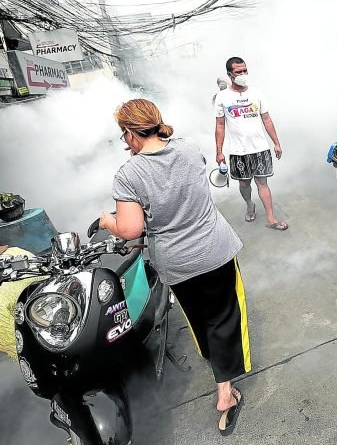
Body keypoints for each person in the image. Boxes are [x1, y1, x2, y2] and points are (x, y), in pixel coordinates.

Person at [99, 98, 250, 435]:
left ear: (130, 132)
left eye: (124, 136)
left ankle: (219, 371)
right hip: (214, 250)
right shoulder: (190, 148)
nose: (125, 143)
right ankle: (225, 391)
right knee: (223, 317)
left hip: (177, 263)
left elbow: (131, 229)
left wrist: (107, 221)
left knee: (200, 318)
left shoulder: (129, 174)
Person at [215, 56, 288, 231]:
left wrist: (276, 143)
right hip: (239, 151)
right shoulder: (222, 97)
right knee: (244, 184)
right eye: (238, 72)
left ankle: (271, 218)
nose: (242, 74)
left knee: (262, 182)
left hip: (260, 148)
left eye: (244, 70)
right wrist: (219, 151)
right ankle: (249, 204)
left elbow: (267, 120)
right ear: (229, 74)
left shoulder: (257, 93)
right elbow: (219, 125)